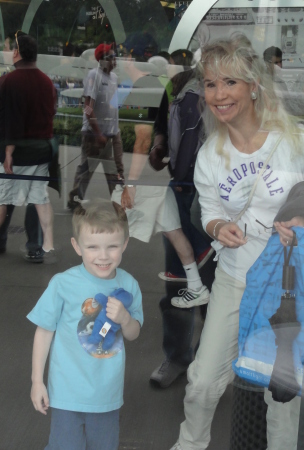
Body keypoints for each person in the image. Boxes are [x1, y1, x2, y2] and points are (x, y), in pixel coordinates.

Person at [170, 36, 304, 450]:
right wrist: (218, 228)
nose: (219, 95)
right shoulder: (211, 154)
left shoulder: (298, 140)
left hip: (284, 285)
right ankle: (190, 443)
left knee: (282, 391)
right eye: (212, 84)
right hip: (235, 279)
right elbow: (209, 210)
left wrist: (303, 216)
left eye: (230, 83)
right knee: (201, 382)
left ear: (253, 85)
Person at [27, 199, 143, 450]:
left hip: (107, 395)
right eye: (92, 247)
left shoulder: (129, 285)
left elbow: (133, 334)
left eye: (112, 246)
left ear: (124, 244)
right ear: (77, 246)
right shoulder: (62, 284)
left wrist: (125, 319)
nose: (103, 256)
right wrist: (37, 381)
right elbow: (44, 331)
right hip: (66, 392)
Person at [148, 49, 214, 388]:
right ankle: (176, 357)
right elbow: (161, 125)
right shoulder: (177, 84)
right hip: (181, 189)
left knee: (215, 287)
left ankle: (207, 363)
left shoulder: (226, 89)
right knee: (177, 283)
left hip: (217, 199)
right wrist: (159, 147)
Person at [0, 31, 56, 261]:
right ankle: (36, 247)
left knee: (5, 198)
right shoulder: (46, 82)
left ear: (17, 53)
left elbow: (9, 120)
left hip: (14, 152)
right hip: (41, 151)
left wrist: (8, 151)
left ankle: (1, 241)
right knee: (37, 199)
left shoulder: (7, 81)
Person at [67, 43, 124, 211]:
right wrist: (97, 133)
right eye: (112, 57)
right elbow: (88, 107)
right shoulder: (94, 76)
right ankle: (75, 199)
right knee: (86, 170)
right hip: (94, 134)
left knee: (116, 170)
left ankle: (120, 202)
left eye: (115, 56)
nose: (115, 60)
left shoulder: (113, 78)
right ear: (102, 60)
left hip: (113, 133)